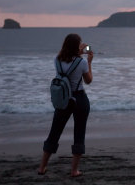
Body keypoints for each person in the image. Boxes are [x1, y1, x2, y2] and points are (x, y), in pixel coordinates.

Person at [38, 33, 94, 177]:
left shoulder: (57, 60)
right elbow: (88, 81)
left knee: (55, 132)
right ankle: (74, 170)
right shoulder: (81, 62)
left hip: (63, 99)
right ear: (77, 47)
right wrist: (89, 61)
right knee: (79, 133)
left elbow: (65, 59)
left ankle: (42, 167)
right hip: (79, 98)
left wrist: (77, 51)